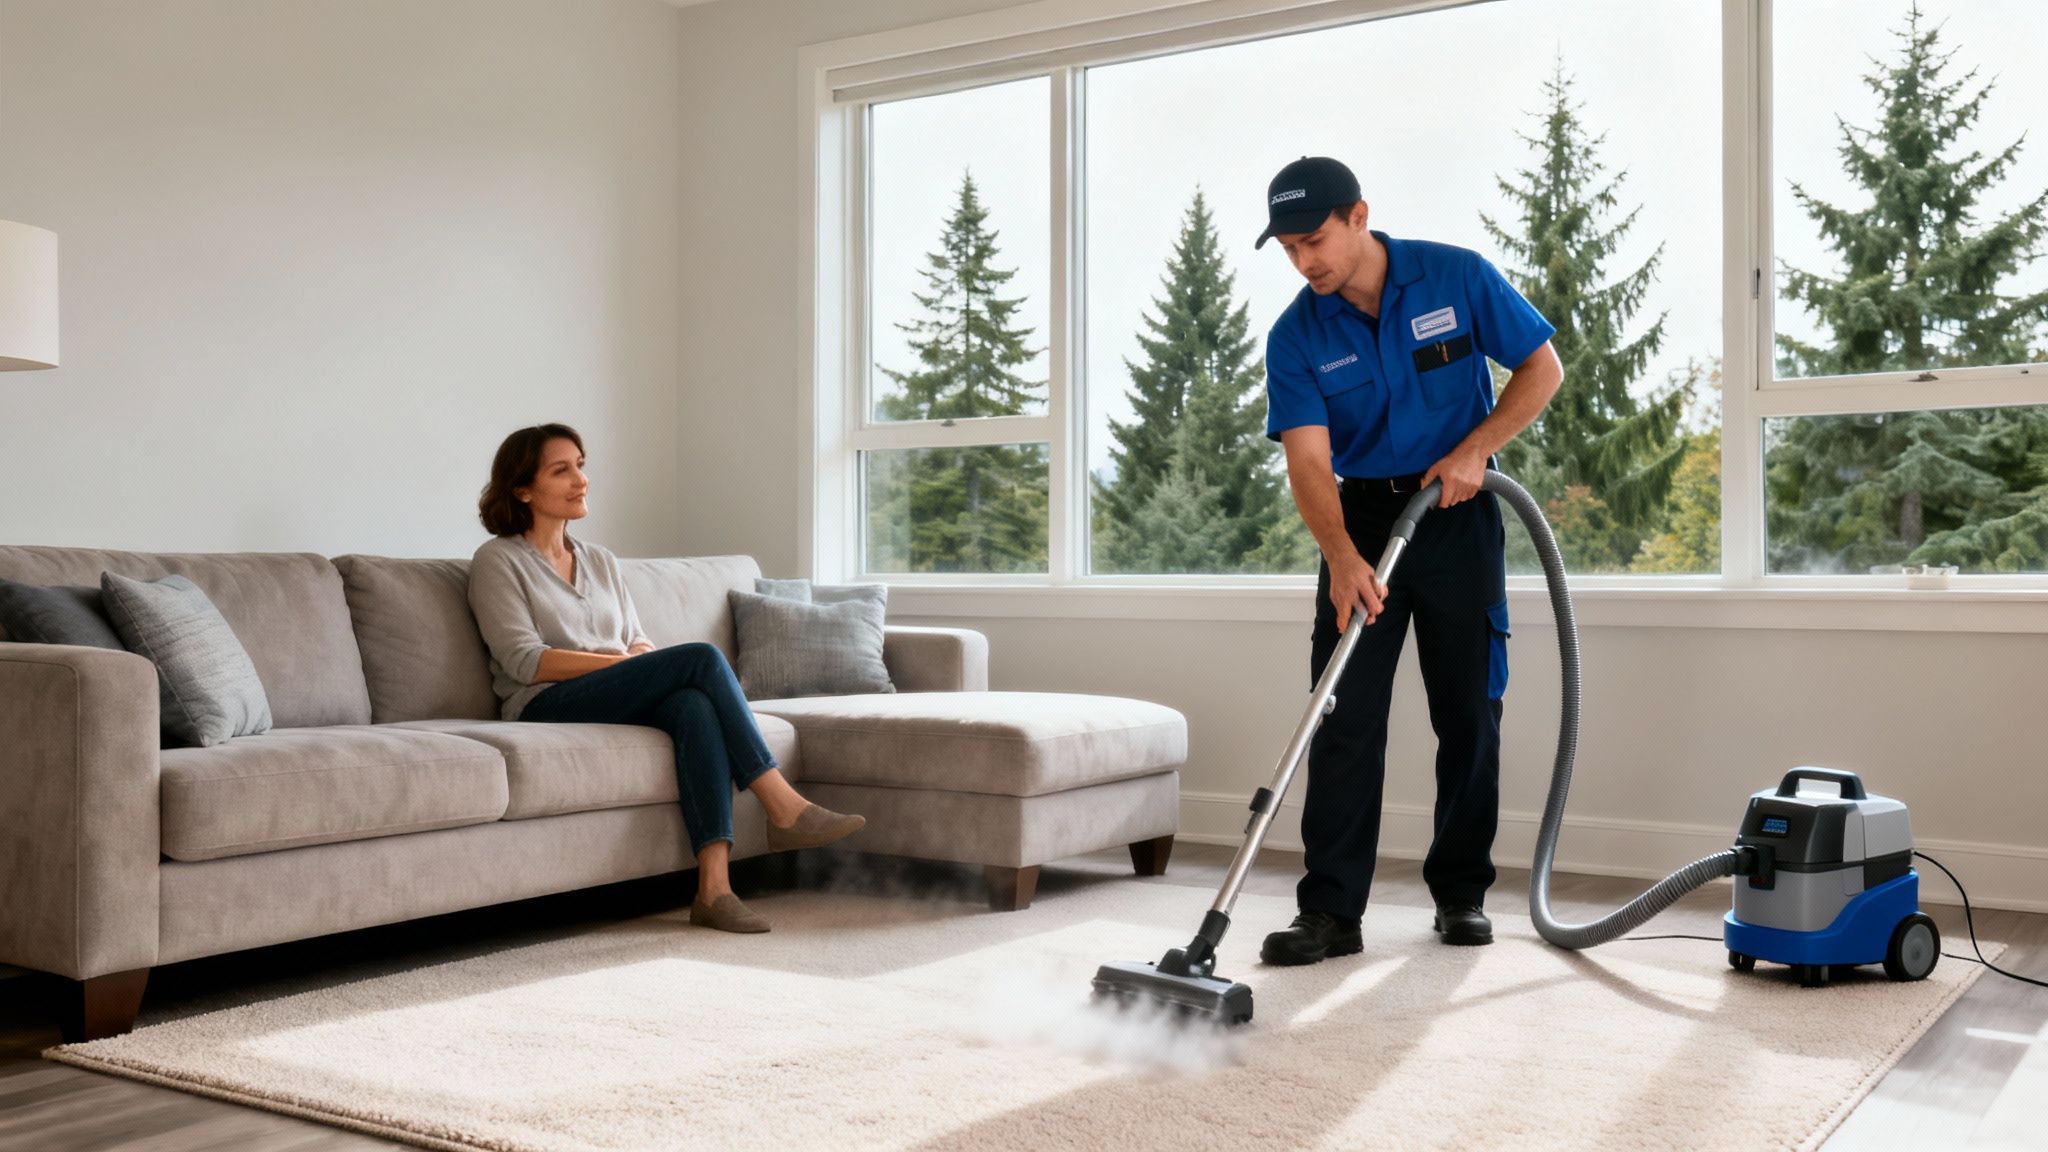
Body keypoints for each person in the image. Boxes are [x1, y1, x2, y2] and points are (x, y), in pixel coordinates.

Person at [1254, 156, 1562, 964]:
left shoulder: (1454, 276)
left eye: (1313, 240)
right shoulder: (1296, 335)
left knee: (1467, 712)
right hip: (1359, 522)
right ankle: (1330, 913)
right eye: (1288, 249)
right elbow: (1309, 464)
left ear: (1358, 216)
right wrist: (1343, 559)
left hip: (1458, 512)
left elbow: (1542, 367)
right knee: (1343, 716)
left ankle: (1460, 894)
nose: (1304, 261)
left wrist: (1477, 451)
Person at [466, 423, 865, 934]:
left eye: (581, 466)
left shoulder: (601, 561)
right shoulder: (498, 560)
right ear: (523, 489)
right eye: (561, 470)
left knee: (692, 706)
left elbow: (639, 641)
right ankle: (780, 802)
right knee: (699, 659)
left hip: (612, 691)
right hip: (545, 700)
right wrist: (623, 666)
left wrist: (635, 660)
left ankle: (714, 890)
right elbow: (525, 660)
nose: (580, 480)